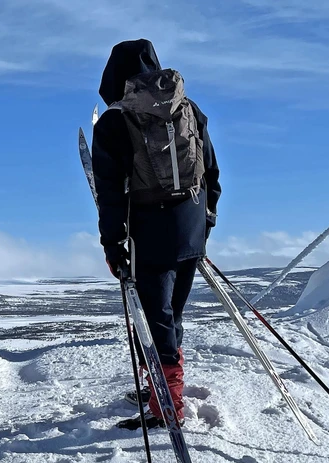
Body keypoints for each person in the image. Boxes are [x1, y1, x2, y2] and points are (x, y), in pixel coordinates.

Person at [92, 40, 222, 429]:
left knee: (152, 316)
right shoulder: (189, 110)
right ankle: (162, 387)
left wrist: (113, 243)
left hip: (150, 233)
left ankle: (168, 405)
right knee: (170, 312)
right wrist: (205, 222)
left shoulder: (115, 121)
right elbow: (211, 173)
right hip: (191, 226)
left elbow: (110, 193)